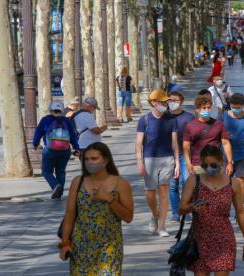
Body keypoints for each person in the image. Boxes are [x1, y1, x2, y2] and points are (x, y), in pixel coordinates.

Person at [58, 142, 134, 274]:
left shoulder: (121, 183)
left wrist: (109, 199)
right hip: (81, 245)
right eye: (86, 159)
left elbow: (128, 217)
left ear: (105, 160)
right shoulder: (78, 182)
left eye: (94, 159)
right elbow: (70, 215)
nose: (89, 162)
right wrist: (65, 244)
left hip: (109, 245)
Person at [179, 145, 244, 275]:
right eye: (205, 166)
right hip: (200, 237)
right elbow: (181, 208)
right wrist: (192, 207)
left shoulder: (232, 183)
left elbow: (240, 212)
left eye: (213, 165)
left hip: (224, 237)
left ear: (221, 162)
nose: (209, 169)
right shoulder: (194, 180)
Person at [136, 89, 180, 237]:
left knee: (163, 192)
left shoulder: (171, 119)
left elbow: (175, 142)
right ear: (154, 103)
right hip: (149, 159)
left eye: (165, 102)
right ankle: (155, 215)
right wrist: (139, 162)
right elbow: (139, 143)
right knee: (150, 193)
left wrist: (177, 163)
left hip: (167, 159)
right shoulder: (144, 120)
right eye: (162, 102)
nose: (165, 104)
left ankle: (162, 226)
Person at [33, 102, 80, 199]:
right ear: (62, 111)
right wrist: (76, 148)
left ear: (50, 110)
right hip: (65, 151)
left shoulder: (46, 120)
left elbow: (38, 133)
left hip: (50, 150)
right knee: (61, 171)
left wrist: (35, 144)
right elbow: (73, 136)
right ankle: (60, 191)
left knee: (46, 171)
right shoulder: (67, 121)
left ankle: (55, 186)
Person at [183, 95, 234, 176]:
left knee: (215, 187)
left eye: (209, 107)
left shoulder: (219, 124)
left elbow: (226, 143)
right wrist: (188, 163)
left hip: (215, 164)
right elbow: (186, 147)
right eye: (204, 108)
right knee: (198, 187)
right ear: (197, 109)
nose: (207, 110)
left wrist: (230, 162)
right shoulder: (190, 126)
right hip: (197, 164)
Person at [167, 91, 196, 222]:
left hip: (185, 155)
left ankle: (186, 209)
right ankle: (175, 212)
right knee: (173, 185)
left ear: (181, 102)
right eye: (170, 100)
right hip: (169, 155)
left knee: (186, 182)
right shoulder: (164, 117)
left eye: (176, 100)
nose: (173, 103)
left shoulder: (189, 117)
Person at [223, 94, 244, 203]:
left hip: (243, 154)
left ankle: (240, 209)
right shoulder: (223, 117)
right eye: (233, 107)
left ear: (243, 105)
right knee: (225, 183)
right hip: (224, 155)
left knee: (241, 181)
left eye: (238, 107)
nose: (236, 109)